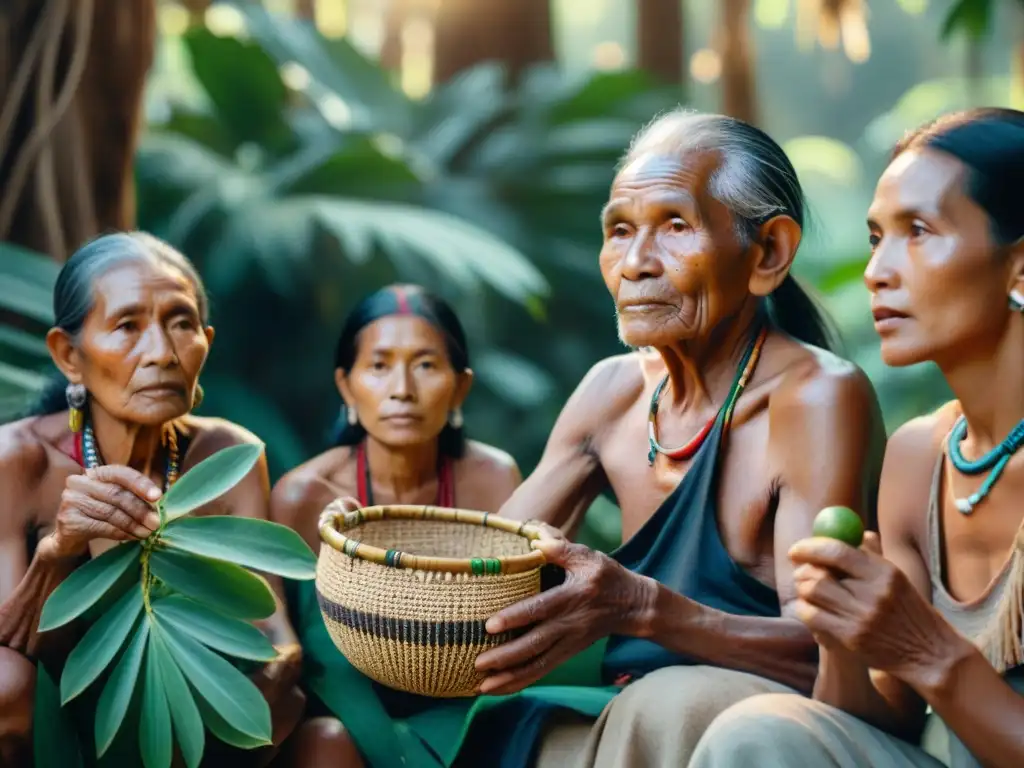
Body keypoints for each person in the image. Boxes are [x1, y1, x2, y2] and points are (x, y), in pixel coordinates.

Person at [439, 109, 886, 768]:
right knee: (493, 726)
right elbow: (483, 578)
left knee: (666, 703)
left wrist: (644, 607)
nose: (636, 263)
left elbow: (828, 657)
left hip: (760, 725)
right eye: (619, 230)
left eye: (675, 226)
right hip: (634, 713)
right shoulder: (611, 391)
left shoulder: (816, 399)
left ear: (768, 254)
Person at [688, 107, 1024, 768]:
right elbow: (879, 720)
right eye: (877, 237)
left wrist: (928, 648)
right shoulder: (919, 457)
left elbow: (929, 666)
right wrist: (842, 634)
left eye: (919, 232)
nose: (877, 271)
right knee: (762, 730)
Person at [0, 232, 304, 766]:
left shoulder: (227, 455)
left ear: (206, 342)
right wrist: (60, 552)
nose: (163, 353)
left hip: (186, 722)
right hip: (53, 724)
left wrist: (275, 666)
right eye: (127, 326)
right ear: (69, 354)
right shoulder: (19, 460)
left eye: (182, 324)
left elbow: (272, 625)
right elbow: (9, 649)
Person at [270, 284, 522, 768]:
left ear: (460, 386)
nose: (402, 389)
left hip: (464, 700)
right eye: (379, 365)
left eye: (425, 365)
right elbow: (279, 636)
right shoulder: (304, 495)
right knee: (325, 742)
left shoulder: (493, 479)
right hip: (345, 703)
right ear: (346, 386)